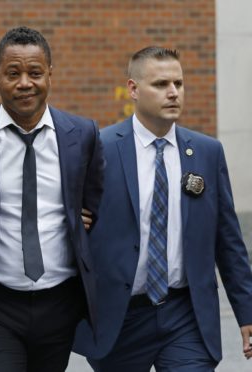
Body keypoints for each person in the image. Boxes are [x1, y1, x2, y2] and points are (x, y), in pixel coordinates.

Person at [0, 26, 104, 372]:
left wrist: (79, 224)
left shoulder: (82, 134)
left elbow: (94, 201)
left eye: (35, 73)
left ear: (50, 75)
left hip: (59, 300)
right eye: (13, 73)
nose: (24, 82)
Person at [73, 46, 252, 371]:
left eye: (178, 84)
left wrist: (247, 312)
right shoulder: (99, 150)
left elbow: (228, 241)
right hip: (120, 318)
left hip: (185, 315)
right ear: (133, 89)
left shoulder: (206, 152)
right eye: (160, 84)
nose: (173, 93)